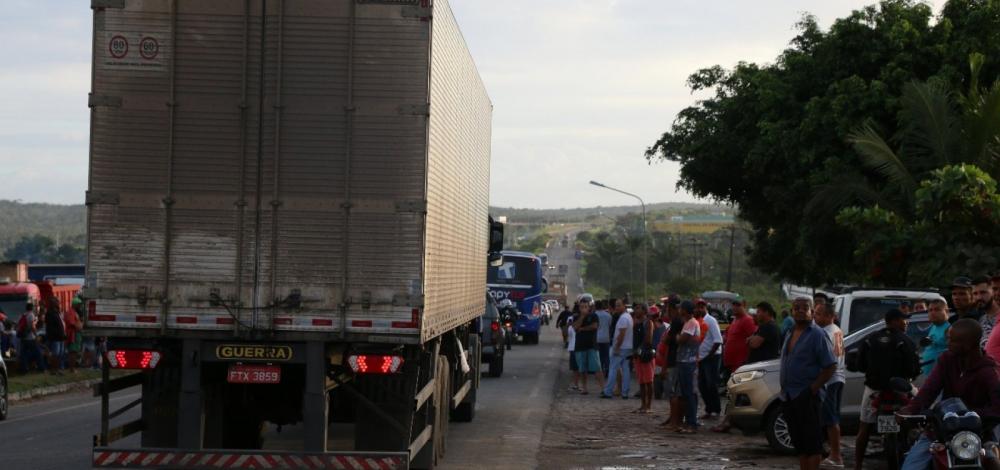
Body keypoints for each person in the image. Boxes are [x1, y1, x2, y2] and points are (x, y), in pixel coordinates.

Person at [899, 319, 1000, 470]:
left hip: (978, 433)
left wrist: (969, 415)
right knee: (912, 467)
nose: (948, 343)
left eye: (952, 341)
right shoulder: (946, 360)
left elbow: (998, 407)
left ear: (968, 344)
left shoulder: (989, 371)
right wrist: (911, 409)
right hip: (940, 432)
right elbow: (929, 389)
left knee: (992, 462)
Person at [851, 308, 920, 470]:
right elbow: (914, 370)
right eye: (904, 319)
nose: (906, 322)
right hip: (901, 390)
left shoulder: (870, 339)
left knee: (864, 429)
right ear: (895, 321)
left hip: (873, 390)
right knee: (920, 417)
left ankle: (857, 465)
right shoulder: (905, 340)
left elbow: (860, 365)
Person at [778, 297, 836, 470]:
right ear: (792, 311)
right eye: (797, 308)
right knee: (800, 445)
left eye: (805, 308)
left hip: (807, 397)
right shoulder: (789, 333)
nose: (801, 310)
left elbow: (830, 366)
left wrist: (811, 390)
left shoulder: (818, 334)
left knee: (813, 445)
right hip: (789, 396)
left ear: (812, 312)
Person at [815, 303, 846, 468]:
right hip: (838, 378)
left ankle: (836, 456)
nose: (815, 316)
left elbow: (829, 362)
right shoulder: (836, 330)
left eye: (819, 314)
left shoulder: (827, 333)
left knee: (831, 419)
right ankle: (830, 452)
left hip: (830, 379)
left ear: (829, 316)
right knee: (829, 418)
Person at [658, 297, 685, 429]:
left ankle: (675, 421)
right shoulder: (679, 320)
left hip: (674, 360)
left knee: (673, 393)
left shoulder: (676, 321)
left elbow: (668, 341)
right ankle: (674, 419)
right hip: (677, 359)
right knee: (676, 393)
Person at [675, 300, 701, 433]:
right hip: (685, 361)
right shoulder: (688, 322)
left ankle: (692, 423)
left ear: (685, 310)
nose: (679, 311)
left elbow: (682, 339)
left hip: (688, 362)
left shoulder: (691, 323)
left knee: (689, 393)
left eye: (681, 309)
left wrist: (678, 337)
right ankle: (690, 420)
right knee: (688, 393)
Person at [695, 299, 723, 419]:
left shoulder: (710, 320)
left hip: (712, 357)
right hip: (701, 358)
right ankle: (709, 409)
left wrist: (710, 355)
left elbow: (718, 340)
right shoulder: (697, 321)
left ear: (705, 307)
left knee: (711, 384)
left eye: (702, 307)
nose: (699, 309)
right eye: (697, 307)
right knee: (702, 385)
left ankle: (716, 410)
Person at [601, 300, 634, 400]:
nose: (617, 307)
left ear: (624, 306)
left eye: (619, 305)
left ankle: (608, 392)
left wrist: (616, 347)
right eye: (616, 306)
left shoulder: (623, 318)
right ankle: (625, 393)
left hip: (621, 348)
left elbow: (621, 335)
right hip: (628, 347)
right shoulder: (628, 317)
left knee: (613, 368)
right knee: (626, 369)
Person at [572, 300, 605, 394]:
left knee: (597, 368)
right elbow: (574, 327)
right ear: (579, 308)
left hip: (592, 346)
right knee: (582, 369)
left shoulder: (594, 316)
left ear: (589, 307)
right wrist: (582, 317)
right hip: (580, 346)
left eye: (585, 306)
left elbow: (594, 326)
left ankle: (603, 388)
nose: (583, 308)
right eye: (582, 307)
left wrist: (582, 328)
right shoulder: (576, 317)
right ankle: (584, 388)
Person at [633, 304, 655, 413]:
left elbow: (648, 340)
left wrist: (639, 349)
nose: (636, 310)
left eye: (638, 308)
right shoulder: (636, 323)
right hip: (638, 355)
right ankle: (643, 405)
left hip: (646, 355)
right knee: (641, 382)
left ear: (644, 311)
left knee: (649, 381)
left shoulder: (648, 323)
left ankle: (648, 406)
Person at [923, 299, 951, 375]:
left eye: (937, 309)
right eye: (930, 310)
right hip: (928, 375)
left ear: (947, 312)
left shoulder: (950, 329)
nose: (932, 313)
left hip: (942, 377)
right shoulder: (933, 326)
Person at [17, 303, 45, 373]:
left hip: (24, 337)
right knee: (38, 352)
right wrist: (36, 335)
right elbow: (32, 326)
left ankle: (23, 369)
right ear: (32, 308)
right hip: (30, 338)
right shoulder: (31, 315)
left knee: (23, 354)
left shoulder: (24, 314)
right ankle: (41, 367)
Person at [974, 275, 999, 350]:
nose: (979, 297)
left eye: (983, 292)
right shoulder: (980, 320)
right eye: (975, 293)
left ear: (992, 292)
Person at [44, 299, 67, 374]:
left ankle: (58, 369)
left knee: (60, 354)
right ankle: (54, 369)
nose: (59, 304)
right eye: (57, 303)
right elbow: (51, 327)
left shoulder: (57, 312)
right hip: (55, 338)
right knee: (55, 354)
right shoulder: (50, 313)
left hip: (61, 337)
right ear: (53, 304)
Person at [64, 297, 84, 373]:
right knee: (72, 352)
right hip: (73, 335)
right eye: (79, 305)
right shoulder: (70, 312)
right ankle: (71, 369)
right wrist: (79, 326)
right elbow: (71, 323)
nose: (80, 306)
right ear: (75, 304)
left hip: (76, 334)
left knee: (75, 352)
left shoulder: (74, 312)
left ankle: (73, 368)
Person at [594, 299, 613, 378]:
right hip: (606, 338)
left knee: (598, 356)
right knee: (606, 356)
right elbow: (610, 327)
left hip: (597, 338)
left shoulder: (594, 315)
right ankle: (607, 371)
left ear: (595, 306)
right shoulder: (608, 315)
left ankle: (600, 371)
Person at [567, 310, 580, 392]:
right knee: (580, 368)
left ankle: (576, 384)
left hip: (573, 349)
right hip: (579, 348)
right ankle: (580, 385)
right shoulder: (581, 327)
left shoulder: (570, 328)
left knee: (575, 369)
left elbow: (569, 335)